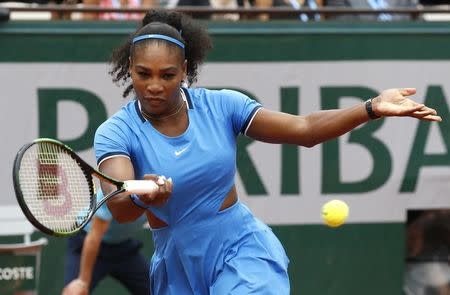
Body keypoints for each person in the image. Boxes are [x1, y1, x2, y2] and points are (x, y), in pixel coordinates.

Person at [94, 9, 442, 295]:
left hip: (240, 249)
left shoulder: (222, 106)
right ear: (130, 70)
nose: (154, 85)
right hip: (176, 264)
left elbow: (304, 129)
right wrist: (144, 197)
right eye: (144, 74)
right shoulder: (116, 133)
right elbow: (121, 207)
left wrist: (372, 108)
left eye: (167, 75)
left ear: (185, 71)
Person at [62, 190, 150, 295]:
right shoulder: (112, 191)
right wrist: (83, 281)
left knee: (155, 290)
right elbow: (94, 237)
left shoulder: (159, 193)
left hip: (123, 246)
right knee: (75, 292)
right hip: (88, 241)